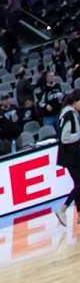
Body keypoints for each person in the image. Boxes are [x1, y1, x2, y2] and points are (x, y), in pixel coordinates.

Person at [54, 90, 78, 227]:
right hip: (72, 155)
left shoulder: (65, 113)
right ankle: (63, 209)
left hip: (69, 155)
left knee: (78, 184)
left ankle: (79, 214)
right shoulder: (70, 114)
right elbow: (65, 138)